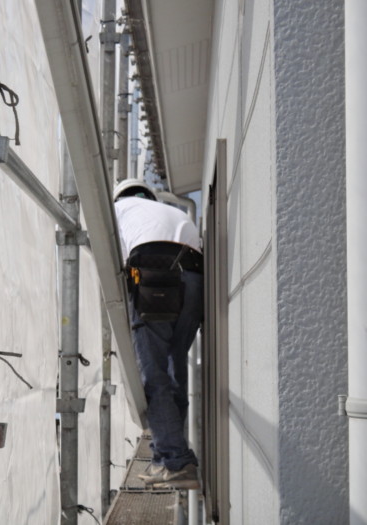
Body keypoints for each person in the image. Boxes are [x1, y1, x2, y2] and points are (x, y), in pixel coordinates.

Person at [113, 178, 204, 490]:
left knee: (152, 374)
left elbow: (115, 269)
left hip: (154, 276)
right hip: (195, 279)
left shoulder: (117, 210)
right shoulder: (171, 213)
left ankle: (176, 461)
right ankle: (165, 458)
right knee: (174, 366)